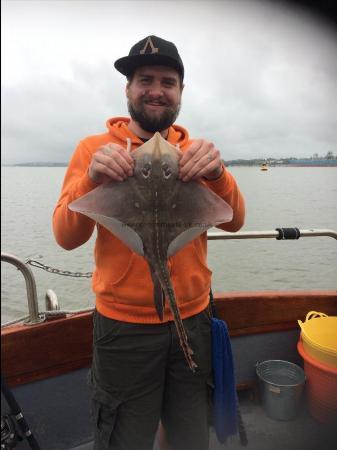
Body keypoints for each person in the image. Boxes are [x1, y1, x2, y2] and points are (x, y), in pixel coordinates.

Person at [53, 35, 245, 450]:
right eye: (145, 80)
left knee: (191, 435)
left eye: (167, 81)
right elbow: (65, 237)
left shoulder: (196, 153)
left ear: (180, 92)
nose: (156, 90)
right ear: (128, 89)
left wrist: (217, 175)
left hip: (194, 318)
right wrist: (92, 178)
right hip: (123, 329)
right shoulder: (94, 150)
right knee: (127, 437)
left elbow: (235, 221)